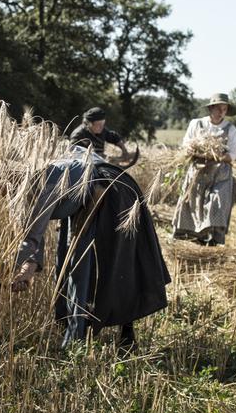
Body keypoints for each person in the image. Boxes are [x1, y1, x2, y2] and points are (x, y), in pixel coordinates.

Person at [10, 145, 170, 352]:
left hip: (111, 192)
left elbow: (33, 234)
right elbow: (31, 231)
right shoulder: (20, 193)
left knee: (114, 264)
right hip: (84, 199)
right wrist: (25, 268)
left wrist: (27, 269)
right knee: (70, 260)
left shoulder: (42, 182)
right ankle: (75, 327)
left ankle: (122, 334)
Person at [171, 93, 236, 246]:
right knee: (192, 201)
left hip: (220, 171)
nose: (222, 112)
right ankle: (189, 237)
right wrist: (199, 152)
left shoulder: (231, 130)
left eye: (224, 109)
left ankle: (214, 239)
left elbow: (234, 155)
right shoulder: (197, 124)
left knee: (218, 202)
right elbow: (186, 145)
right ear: (211, 108)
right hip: (198, 169)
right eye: (219, 108)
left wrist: (216, 156)